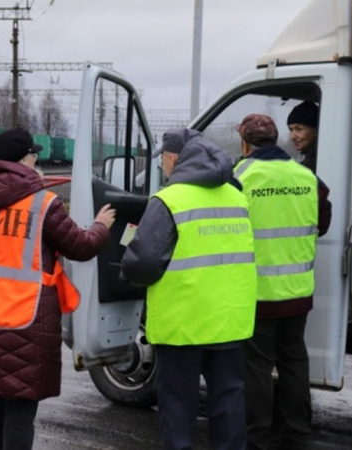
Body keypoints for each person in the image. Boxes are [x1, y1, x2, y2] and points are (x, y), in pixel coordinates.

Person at [0, 127, 116, 450]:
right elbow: (79, 246)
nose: (36, 159)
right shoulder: (43, 204)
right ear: (22, 159)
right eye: (33, 154)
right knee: (21, 410)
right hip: (26, 319)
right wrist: (101, 227)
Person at [121, 128, 258, 450]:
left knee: (178, 403)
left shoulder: (170, 199)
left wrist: (126, 269)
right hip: (230, 318)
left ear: (172, 159)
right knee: (229, 399)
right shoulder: (237, 196)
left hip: (184, 321)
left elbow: (143, 262)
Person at [232, 114, 332, 450]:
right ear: (277, 140)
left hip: (258, 294)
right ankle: (297, 433)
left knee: (257, 367)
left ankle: (258, 437)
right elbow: (323, 223)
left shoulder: (240, 177)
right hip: (299, 292)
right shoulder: (306, 177)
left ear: (244, 143)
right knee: (293, 362)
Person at [286, 101, 319, 172]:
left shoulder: (317, 163)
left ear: (316, 130)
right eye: (291, 130)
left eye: (299, 129)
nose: (292, 137)